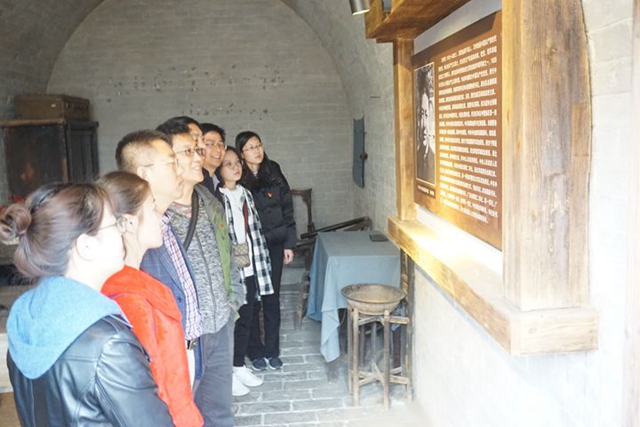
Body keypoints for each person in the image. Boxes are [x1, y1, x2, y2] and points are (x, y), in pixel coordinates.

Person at [1, 183, 172, 426]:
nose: (122, 232)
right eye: (114, 223)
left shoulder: (25, 320)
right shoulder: (109, 342)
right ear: (86, 246)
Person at [157, 117, 243, 427]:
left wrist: (233, 301)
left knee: (220, 412)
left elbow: (228, 253)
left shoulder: (208, 201)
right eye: (189, 150)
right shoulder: (154, 215)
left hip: (220, 324)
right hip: (184, 337)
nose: (200, 155)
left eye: (199, 148)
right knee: (181, 415)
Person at [100, 171, 203, 427]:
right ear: (129, 222)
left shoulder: (128, 285)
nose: (161, 217)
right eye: (153, 208)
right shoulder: (130, 299)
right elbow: (149, 393)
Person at [236, 131, 296, 371]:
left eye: (258, 145)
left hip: (274, 243)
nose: (256, 151)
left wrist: (289, 243)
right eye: (250, 148)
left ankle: (272, 351)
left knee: (272, 297)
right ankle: (255, 351)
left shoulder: (273, 170)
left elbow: (287, 207)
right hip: (249, 248)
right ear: (242, 154)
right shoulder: (238, 177)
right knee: (250, 299)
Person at [215, 146, 273, 396]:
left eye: (237, 162)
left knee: (247, 317)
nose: (236, 167)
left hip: (249, 264)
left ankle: (239, 365)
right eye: (228, 164)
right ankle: (228, 371)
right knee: (232, 320)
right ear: (219, 170)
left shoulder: (245, 194)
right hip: (229, 270)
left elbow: (254, 232)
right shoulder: (216, 198)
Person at [200, 123, 227, 195]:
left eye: (220, 144)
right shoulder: (193, 182)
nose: (218, 149)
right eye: (210, 144)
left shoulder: (219, 181)